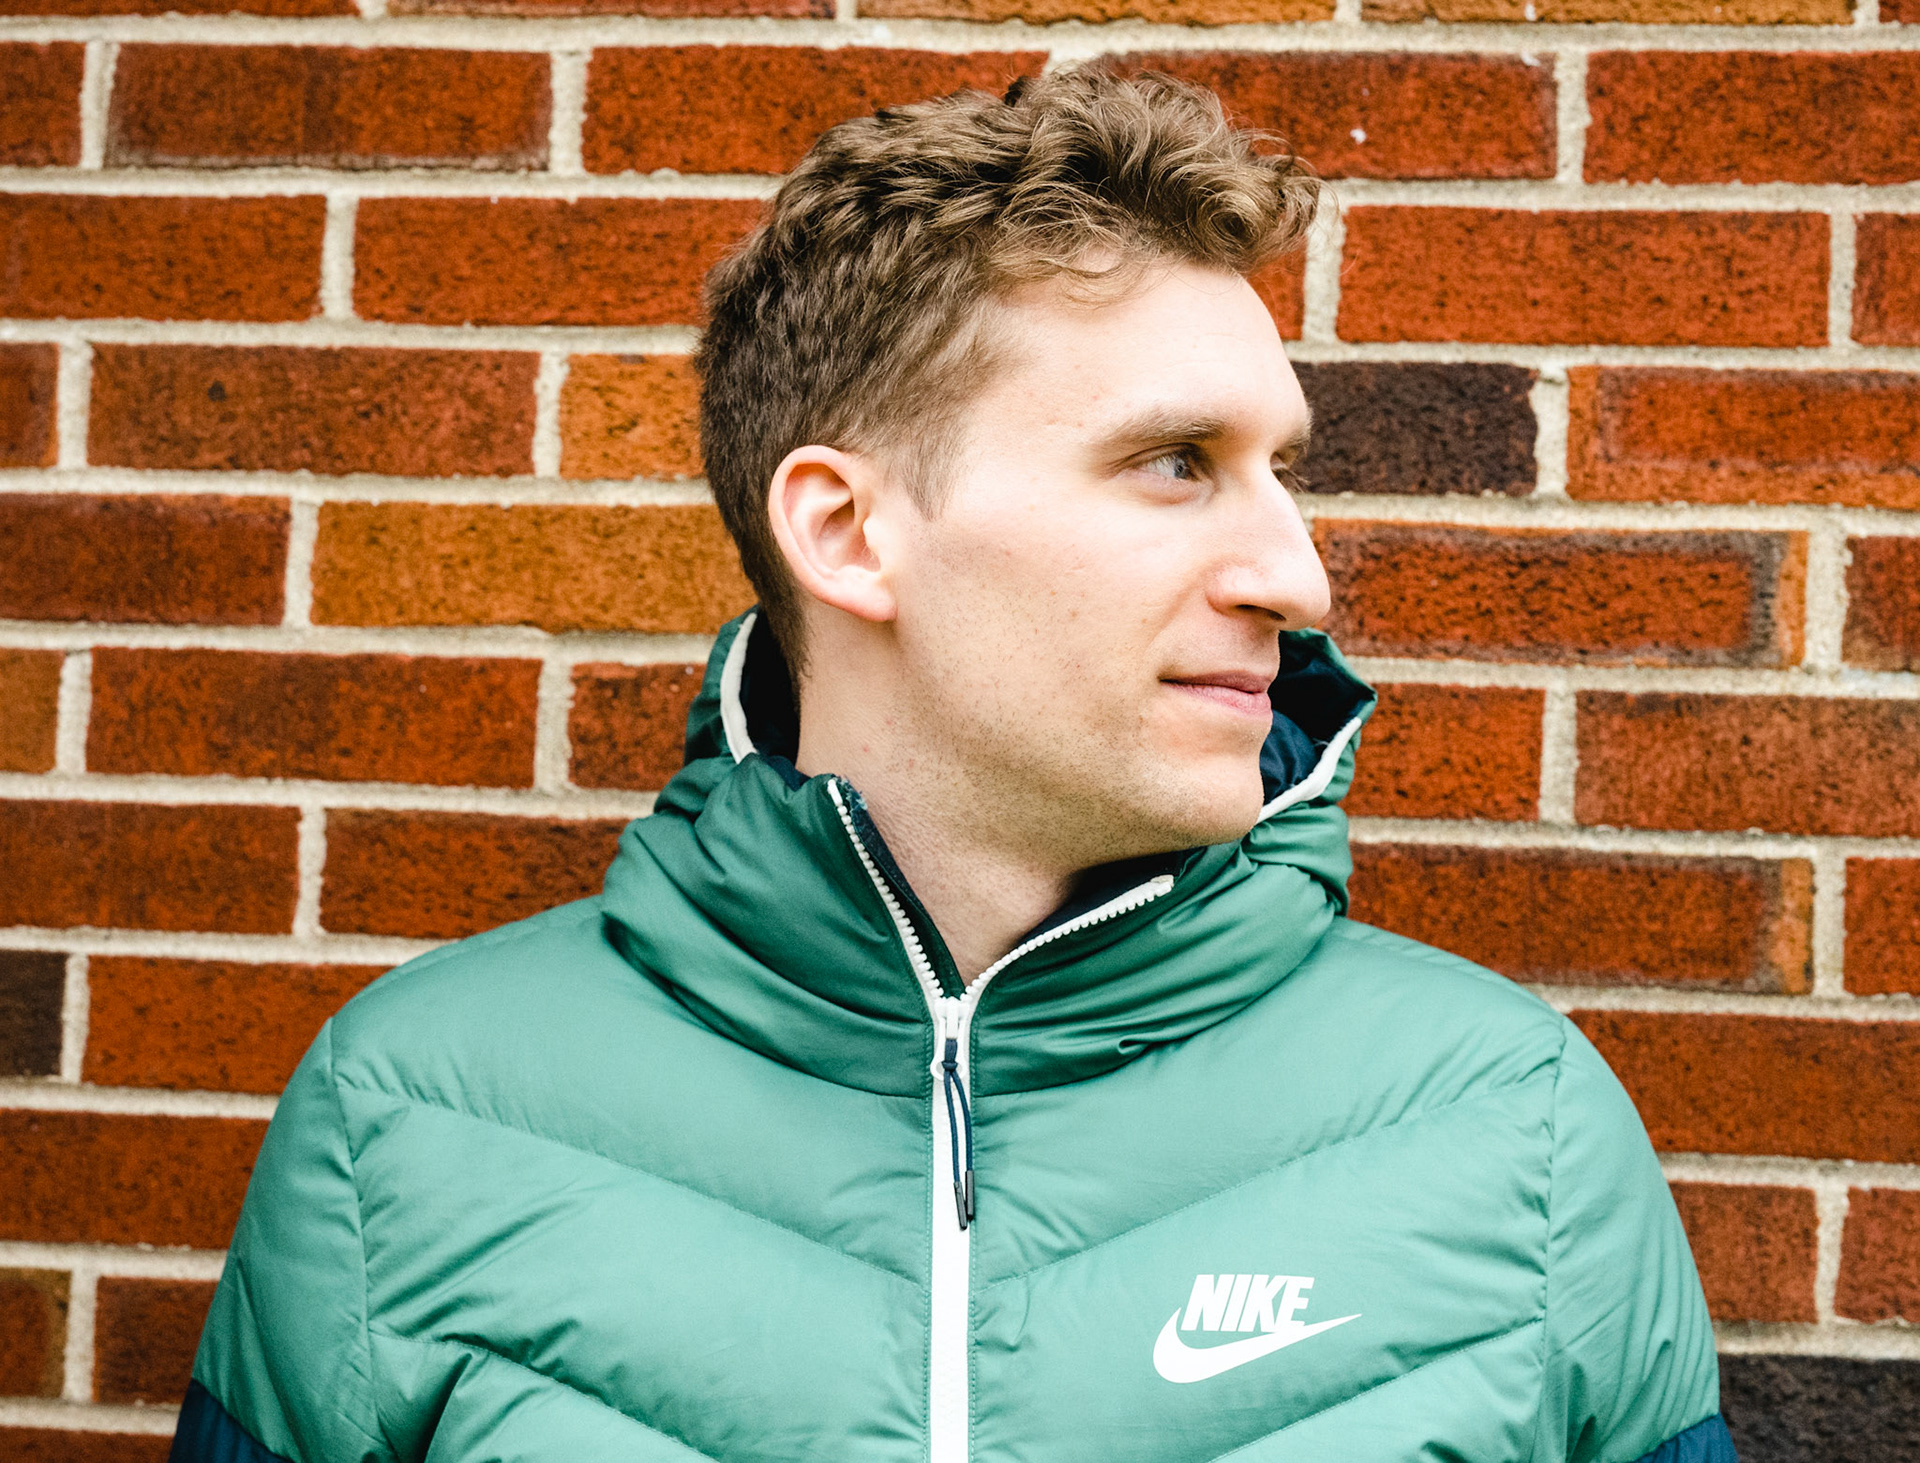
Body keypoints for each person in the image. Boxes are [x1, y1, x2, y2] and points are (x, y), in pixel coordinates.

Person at [172, 68, 1733, 1463]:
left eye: (1280, 471)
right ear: (850, 533)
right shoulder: (409, 1123)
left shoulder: (1515, 1130)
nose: (1299, 578)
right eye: (1175, 463)